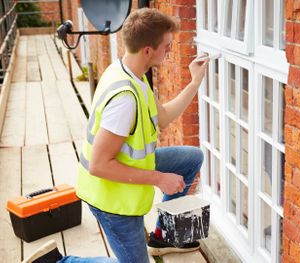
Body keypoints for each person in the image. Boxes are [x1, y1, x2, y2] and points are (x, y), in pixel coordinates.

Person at [23, 8, 208, 263]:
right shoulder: (124, 100)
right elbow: (99, 165)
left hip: (129, 170)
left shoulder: (131, 73)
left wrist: (194, 82)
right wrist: (159, 178)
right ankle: (58, 262)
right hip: (111, 200)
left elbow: (163, 116)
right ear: (147, 50)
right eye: (166, 45)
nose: (170, 49)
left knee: (191, 158)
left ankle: (163, 236)